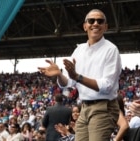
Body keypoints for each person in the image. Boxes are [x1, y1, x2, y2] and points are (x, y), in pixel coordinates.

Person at [38, 8, 122, 141]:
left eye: (100, 21)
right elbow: (68, 83)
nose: (95, 23)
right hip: (84, 107)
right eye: (91, 20)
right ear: (85, 26)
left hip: (104, 107)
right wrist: (59, 74)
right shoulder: (79, 50)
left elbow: (106, 85)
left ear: (105, 27)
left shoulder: (111, 49)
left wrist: (78, 77)